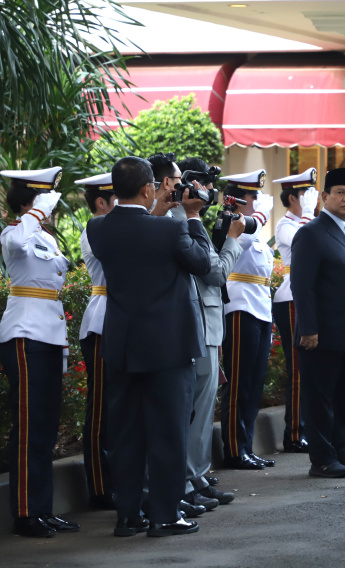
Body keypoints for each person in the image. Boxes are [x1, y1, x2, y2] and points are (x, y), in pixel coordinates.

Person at [87, 156, 210, 537]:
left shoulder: (97, 229)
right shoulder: (170, 231)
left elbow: (135, 233)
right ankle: (166, 514)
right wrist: (191, 216)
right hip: (168, 349)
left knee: (126, 434)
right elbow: (203, 263)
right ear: (147, 188)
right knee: (169, 433)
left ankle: (128, 516)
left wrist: (162, 213)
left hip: (123, 345)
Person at [0, 166, 80, 538]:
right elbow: (17, 245)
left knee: (46, 426)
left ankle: (43, 509)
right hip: (25, 333)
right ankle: (24, 512)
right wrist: (35, 213)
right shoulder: (15, 232)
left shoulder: (46, 238)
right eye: (47, 197)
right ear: (34, 198)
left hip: (49, 334)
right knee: (29, 425)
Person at [291, 168, 345, 478]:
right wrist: (309, 328)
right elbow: (303, 286)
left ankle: (344, 450)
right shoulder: (312, 233)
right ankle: (323, 458)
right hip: (322, 334)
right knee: (320, 399)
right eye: (340, 192)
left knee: (344, 397)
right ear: (325, 197)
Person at [175, 156, 243, 510]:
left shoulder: (192, 220)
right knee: (192, 411)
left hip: (208, 323)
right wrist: (231, 240)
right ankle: (187, 479)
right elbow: (214, 273)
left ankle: (196, 476)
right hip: (197, 324)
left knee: (202, 412)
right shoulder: (179, 220)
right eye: (199, 183)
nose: (207, 190)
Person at [218, 169, 276, 470]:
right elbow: (248, 231)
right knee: (239, 383)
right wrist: (262, 215)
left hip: (260, 306)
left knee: (253, 384)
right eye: (253, 196)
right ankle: (233, 449)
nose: (258, 201)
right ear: (238, 200)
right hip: (240, 308)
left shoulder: (253, 231)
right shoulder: (232, 224)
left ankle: (247, 445)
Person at [76, 172, 116, 511]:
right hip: (103, 321)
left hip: (123, 321)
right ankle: (100, 487)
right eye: (117, 198)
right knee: (101, 409)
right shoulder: (94, 229)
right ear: (101, 202)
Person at [272, 167, 318, 453]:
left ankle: (307, 428)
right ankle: (293, 433)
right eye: (305, 194)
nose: (311, 199)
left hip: (308, 296)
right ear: (292, 198)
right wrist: (309, 214)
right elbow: (306, 241)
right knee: (298, 369)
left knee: (311, 369)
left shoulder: (305, 220)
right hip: (290, 296)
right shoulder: (286, 225)